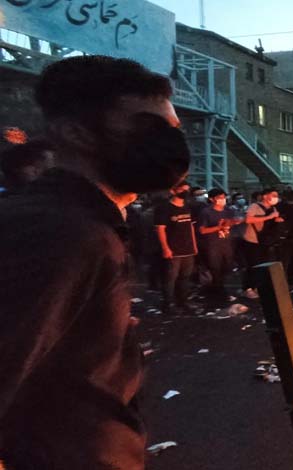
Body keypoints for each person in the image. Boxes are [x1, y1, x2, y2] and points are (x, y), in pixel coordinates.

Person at [0, 56, 189, 469]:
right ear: (74, 132)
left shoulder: (90, 222)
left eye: (171, 130)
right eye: (145, 127)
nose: (168, 145)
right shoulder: (60, 232)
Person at [154, 181, 198, 313]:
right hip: (173, 249)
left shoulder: (188, 207)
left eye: (187, 189)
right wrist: (165, 248)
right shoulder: (164, 208)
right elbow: (160, 229)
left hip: (187, 248)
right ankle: (168, 304)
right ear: (173, 191)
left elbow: (191, 227)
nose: (185, 192)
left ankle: (183, 302)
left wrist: (194, 245)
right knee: (170, 279)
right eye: (182, 189)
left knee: (185, 277)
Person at [198, 188, 240, 304]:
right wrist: (218, 227)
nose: (222, 200)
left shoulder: (228, 210)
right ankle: (219, 293)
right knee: (215, 268)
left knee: (226, 267)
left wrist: (233, 222)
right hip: (212, 244)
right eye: (219, 198)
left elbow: (233, 222)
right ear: (211, 199)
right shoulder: (206, 212)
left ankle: (215, 290)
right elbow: (202, 230)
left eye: (223, 197)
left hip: (226, 243)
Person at [241, 189, 284, 298]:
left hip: (266, 241)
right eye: (273, 195)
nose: (276, 198)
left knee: (263, 265)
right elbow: (248, 220)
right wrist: (269, 217)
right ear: (265, 196)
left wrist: (277, 220)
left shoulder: (273, 208)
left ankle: (258, 287)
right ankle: (248, 288)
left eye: (277, 196)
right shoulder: (254, 206)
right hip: (252, 240)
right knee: (252, 265)